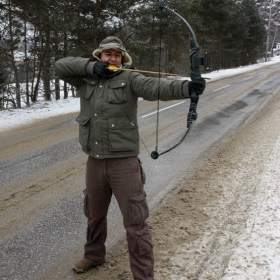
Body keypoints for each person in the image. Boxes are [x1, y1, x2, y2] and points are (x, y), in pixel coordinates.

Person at [54, 36, 205, 280]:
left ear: (123, 59)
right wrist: (91, 68)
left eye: (116, 55)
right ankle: (93, 256)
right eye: (107, 54)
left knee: (136, 224)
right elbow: (61, 65)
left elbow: (156, 88)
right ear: (99, 56)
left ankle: (143, 276)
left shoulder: (130, 78)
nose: (112, 58)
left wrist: (187, 88)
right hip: (94, 162)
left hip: (124, 163)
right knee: (94, 215)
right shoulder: (85, 79)